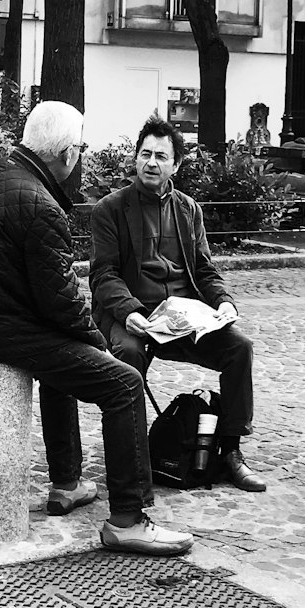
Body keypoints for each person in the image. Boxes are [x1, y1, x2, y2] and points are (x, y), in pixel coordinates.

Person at [0, 101, 192, 557]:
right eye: (79, 149)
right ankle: (129, 517)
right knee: (124, 383)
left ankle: (67, 483)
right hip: (7, 333)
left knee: (63, 360)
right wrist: (98, 342)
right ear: (66, 154)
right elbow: (62, 304)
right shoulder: (43, 207)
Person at [89, 114, 265, 493]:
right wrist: (130, 312)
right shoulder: (111, 209)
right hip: (135, 313)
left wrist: (223, 302)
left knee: (239, 349)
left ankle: (231, 450)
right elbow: (103, 275)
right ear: (135, 159)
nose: (151, 162)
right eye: (145, 154)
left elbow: (204, 270)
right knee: (128, 355)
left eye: (161, 156)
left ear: (176, 165)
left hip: (184, 317)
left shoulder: (188, 210)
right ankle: (131, 457)